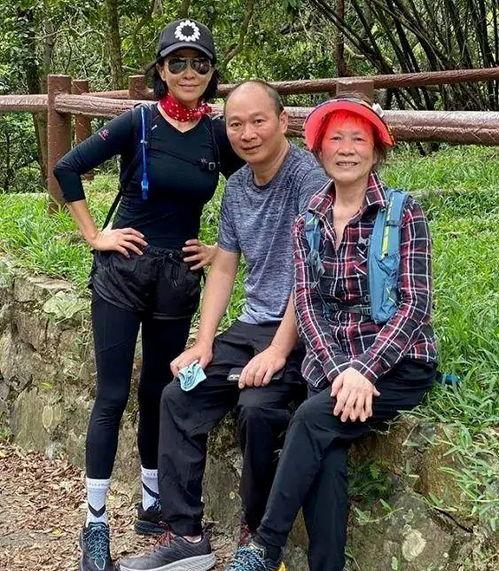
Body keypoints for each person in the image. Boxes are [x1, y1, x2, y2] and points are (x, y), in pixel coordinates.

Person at [54, 18, 243, 571]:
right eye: (177, 62)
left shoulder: (216, 135)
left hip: (178, 279)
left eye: (199, 63)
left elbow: (253, 187)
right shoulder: (138, 122)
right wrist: (95, 235)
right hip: (124, 273)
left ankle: (152, 502)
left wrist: (220, 249)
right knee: (113, 395)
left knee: (161, 390)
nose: (188, 72)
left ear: (211, 73)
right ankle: (95, 522)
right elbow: (68, 168)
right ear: (161, 69)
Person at [117, 80, 329, 571]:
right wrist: (204, 342)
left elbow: (310, 277)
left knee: (257, 408)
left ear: (283, 122)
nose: (247, 133)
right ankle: (186, 536)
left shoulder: (308, 180)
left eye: (258, 121)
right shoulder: (236, 188)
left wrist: (278, 351)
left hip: (303, 328)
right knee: (179, 395)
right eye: (235, 124)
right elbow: (225, 267)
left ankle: (256, 534)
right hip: (252, 326)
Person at [224, 96, 438, 571]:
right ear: (319, 150)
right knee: (328, 452)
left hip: (398, 365)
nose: (346, 149)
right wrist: (342, 372)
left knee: (309, 419)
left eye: (358, 139)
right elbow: (308, 304)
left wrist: (364, 371)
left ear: (376, 151)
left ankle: (264, 547)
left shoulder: (403, 213)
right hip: (335, 367)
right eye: (335, 138)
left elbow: (415, 304)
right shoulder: (309, 220)